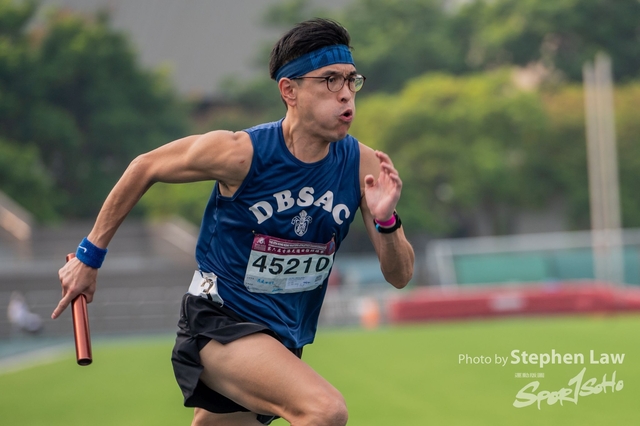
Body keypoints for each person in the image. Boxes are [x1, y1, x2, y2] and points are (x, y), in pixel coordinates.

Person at [53, 18, 414, 426]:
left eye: (351, 80)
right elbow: (145, 167)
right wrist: (89, 258)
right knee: (325, 411)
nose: (346, 93)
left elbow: (400, 276)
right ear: (289, 91)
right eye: (330, 80)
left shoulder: (363, 165)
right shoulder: (240, 154)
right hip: (219, 323)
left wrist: (386, 221)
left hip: (282, 337)